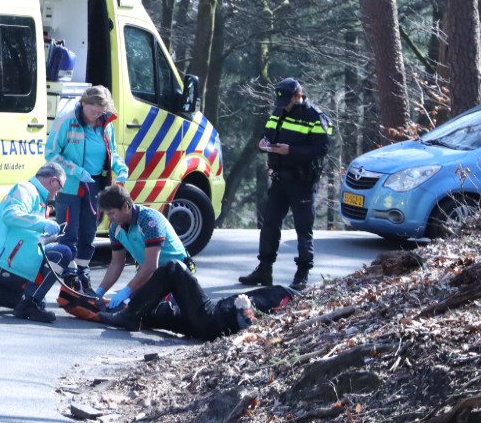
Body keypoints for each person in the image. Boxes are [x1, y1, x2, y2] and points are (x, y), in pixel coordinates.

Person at [95, 186, 261, 341]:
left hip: (175, 275)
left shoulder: (149, 220)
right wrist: (100, 292)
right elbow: (116, 264)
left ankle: (235, 313)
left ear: (125, 206)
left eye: (112, 213)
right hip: (153, 278)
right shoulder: (115, 229)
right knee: (138, 312)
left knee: (166, 313)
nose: (110, 219)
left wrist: (126, 291)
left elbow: (151, 265)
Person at [239, 78, 331, 291]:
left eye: (287, 102)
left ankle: (302, 273)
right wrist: (263, 144)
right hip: (280, 178)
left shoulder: (315, 117)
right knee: (269, 224)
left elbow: (322, 148)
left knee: (303, 228)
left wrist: (292, 151)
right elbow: (267, 135)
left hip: (303, 181)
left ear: (298, 96)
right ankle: (264, 269)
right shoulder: (278, 112)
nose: (283, 107)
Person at [0, 163, 76, 322]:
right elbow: (10, 215)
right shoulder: (26, 190)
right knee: (62, 253)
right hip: (4, 260)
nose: (57, 194)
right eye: (60, 187)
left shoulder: (35, 196)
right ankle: (28, 303)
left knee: (39, 299)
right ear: (53, 181)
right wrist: (43, 224)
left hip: (5, 260)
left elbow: (27, 233)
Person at [44, 85, 128, 293]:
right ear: (84, 103)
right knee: (69, 233)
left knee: (89, 232)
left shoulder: (106, 125)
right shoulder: (66, 121)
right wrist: (75, 170)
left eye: (101, 112)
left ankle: (83, 273)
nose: (97, 116)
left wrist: (119, 166)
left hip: (95, 186)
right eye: (93, 111)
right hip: (71, 186)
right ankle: (71, 276)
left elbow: (112, 152)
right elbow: (51, 154)